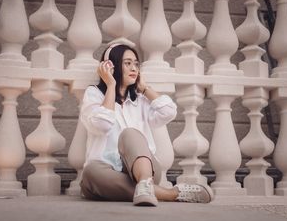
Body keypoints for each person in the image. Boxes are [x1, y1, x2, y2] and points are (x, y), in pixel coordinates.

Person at [79, 43, 214, 206]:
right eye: (127, 63)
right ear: (110, 66)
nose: (134, 68)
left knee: (130, 134)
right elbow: (102, 124)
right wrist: (111, 85)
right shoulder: (94, 94)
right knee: (91, 173)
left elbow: (169, 112)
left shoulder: (141, 100)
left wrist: (144, 88)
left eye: (136, 64)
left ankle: (144, 183)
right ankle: (170, 194)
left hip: (146, 170)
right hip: (105, 173)